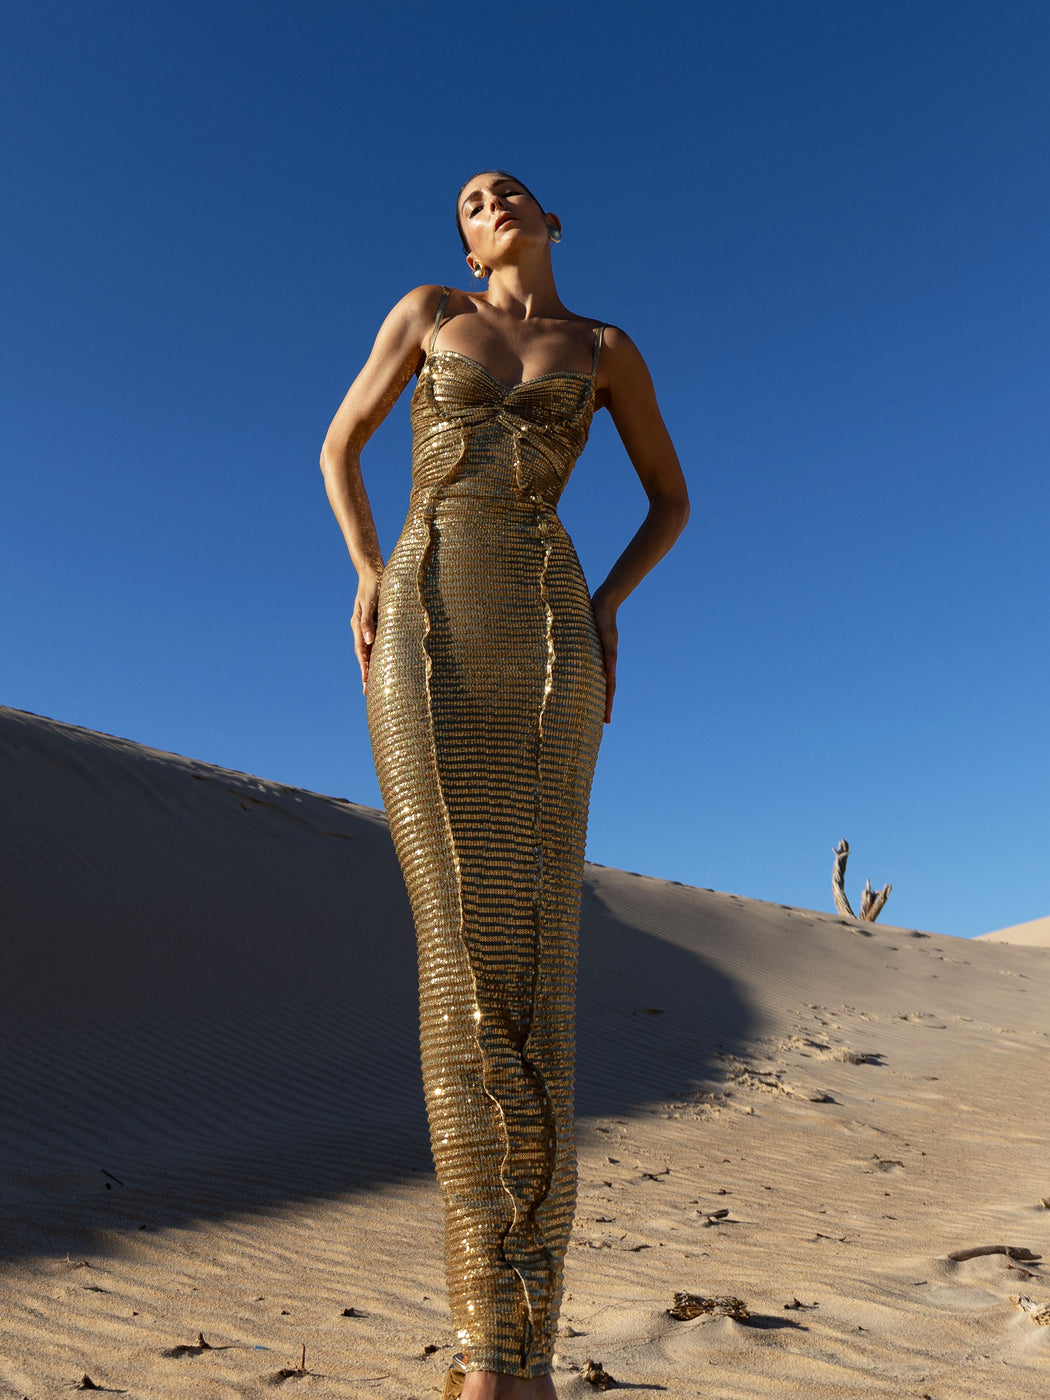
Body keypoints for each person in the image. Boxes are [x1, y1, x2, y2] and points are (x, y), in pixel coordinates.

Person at [319, 170, 689, 1399]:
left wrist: (604, 605)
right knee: (458, 957)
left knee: (542, 960)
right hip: (425, 623)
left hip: (549, 638)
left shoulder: (607, 346)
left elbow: (670, 497)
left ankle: (519, 1356)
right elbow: (341, 443)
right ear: (462, 241)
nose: (493, 203)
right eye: (473, 200)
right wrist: (370, 567)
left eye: (511, 192)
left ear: (552, 224)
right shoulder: (427, 311)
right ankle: (486, 1341)